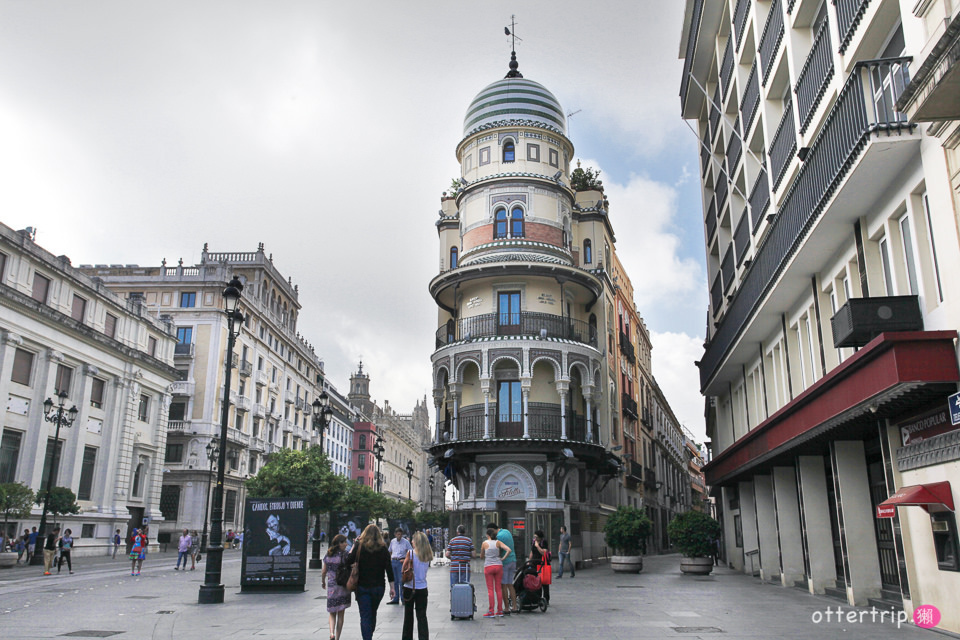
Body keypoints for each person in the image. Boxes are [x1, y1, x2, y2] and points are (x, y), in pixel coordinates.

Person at [347, 523, 395, 640]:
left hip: (362, 586)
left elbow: (348, 561)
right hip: (378, 587)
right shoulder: (383, 548)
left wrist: (354, 545)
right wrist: (392, 587)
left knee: (365, 615)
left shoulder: (359, 546)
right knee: (373, 613)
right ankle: (369, 635)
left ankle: (367, 637)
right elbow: (389, 568)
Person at [402, 531, 433, 640]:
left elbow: (404, 569)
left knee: (408, 616)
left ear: (417, 542)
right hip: (422, 587)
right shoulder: (427, 554)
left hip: (410, 587)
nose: (411, 541)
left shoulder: (410, 553)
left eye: (413, 540)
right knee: (422, 616)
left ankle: (407, 638)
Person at [321, 534, 351, 640]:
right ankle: (337, 637)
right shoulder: (345, 555)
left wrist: (323, 582)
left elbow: (324, 571)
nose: (346, 544)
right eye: (344, 542)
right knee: (341, 615)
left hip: (331, 587)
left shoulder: (328, 554)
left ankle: (331, 633)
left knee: (332, 612)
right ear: (339, 544)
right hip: (342, 586)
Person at [487, 521, 518, 614]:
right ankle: (515, 607)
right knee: (510, 584)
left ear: (492, 530)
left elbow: (497, 551)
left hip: (505, 562)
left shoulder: (498, 537)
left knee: (503, 585)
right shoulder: (507, 532)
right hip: (513, 560)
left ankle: (507, 608)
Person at [480, 527, 510, 617]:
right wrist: (503, 558)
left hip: (488, 566)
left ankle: (491, 611)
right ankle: (500, 610)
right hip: (498, 566)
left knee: (490, 589)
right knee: (498, 589)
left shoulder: (484, 543)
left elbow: (481, 556)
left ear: (487, 535)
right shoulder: (498, 542)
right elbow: (508, 550)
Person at [387, 528, 412, 605]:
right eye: (398, 534)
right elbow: (390, 550)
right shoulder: (393, 541)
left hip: (401, 562)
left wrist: (405, 560)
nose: (399, 536)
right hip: (394, 561)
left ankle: (403, 598)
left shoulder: (406, 542)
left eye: (400, 534)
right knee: (394, 581)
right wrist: (390, 559)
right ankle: (395, 598)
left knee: (401, 581)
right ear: (395, 534)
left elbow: (410, 552)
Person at [529, 530, 550, 605]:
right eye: (534, 536)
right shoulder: (533, 541)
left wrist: (537, 546)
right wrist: (529, 561)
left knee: (544, 581)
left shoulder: (544, 542)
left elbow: (544, 552)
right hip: (534, 563)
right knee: (536, 581)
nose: (535, 538)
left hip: (542, 564)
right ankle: (537, 597)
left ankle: (546, 599)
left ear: (540, 538)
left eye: (537, 537)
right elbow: (532, 551)